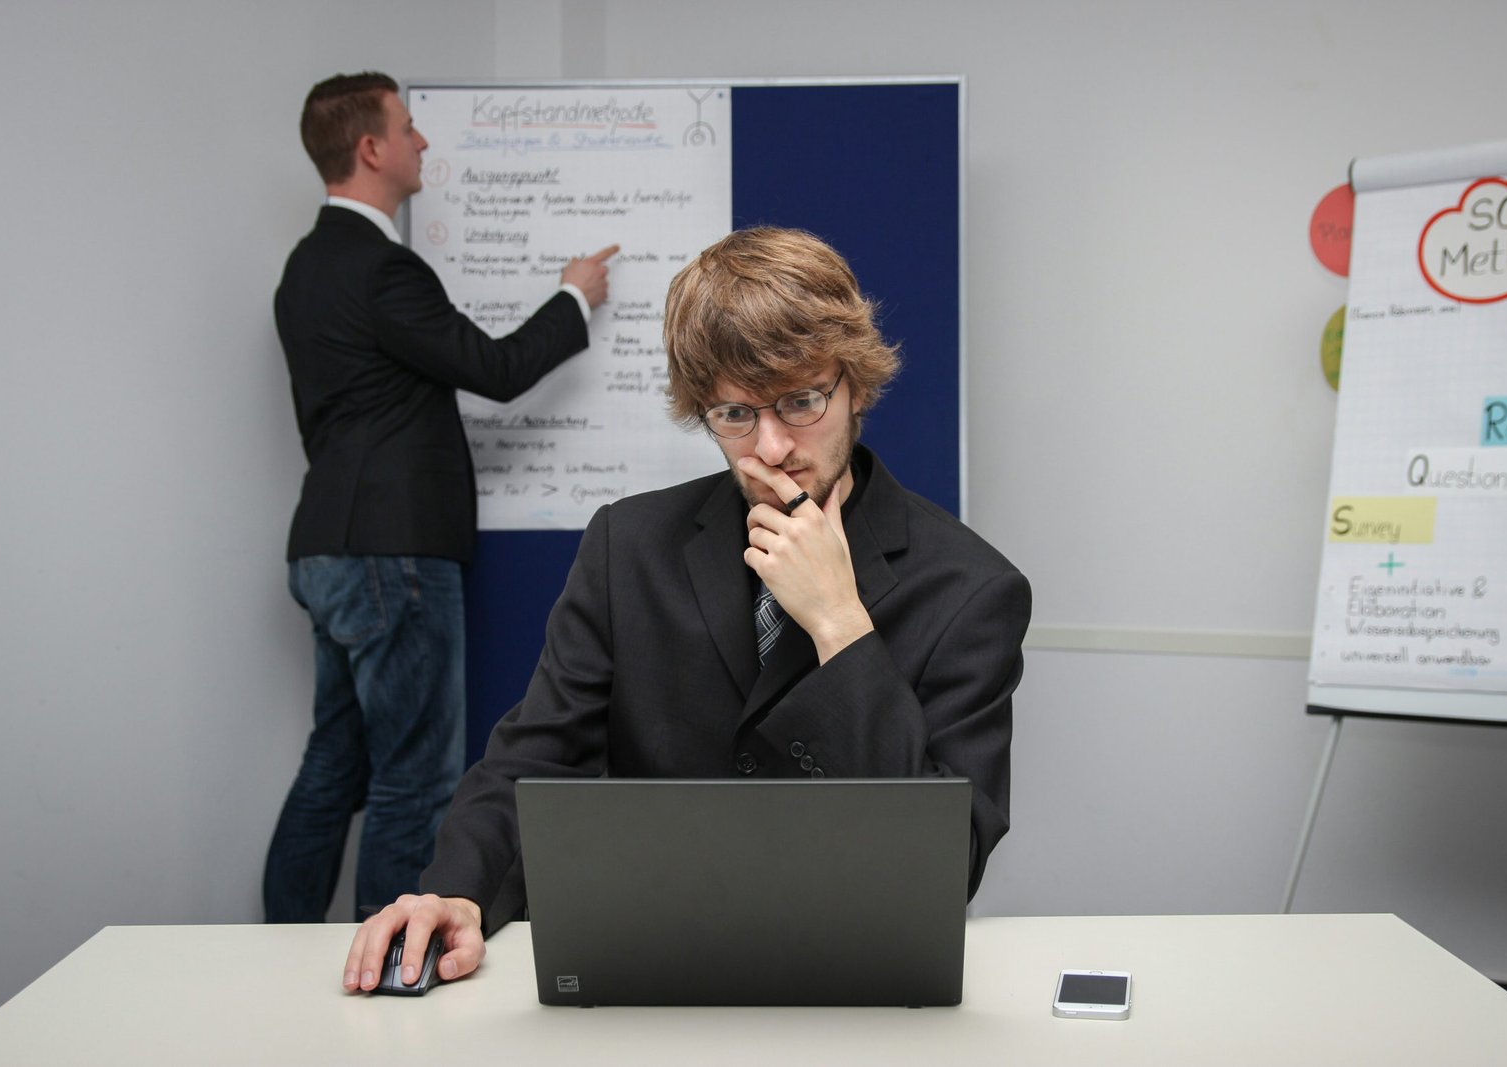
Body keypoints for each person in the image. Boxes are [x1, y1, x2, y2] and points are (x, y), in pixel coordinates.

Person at [341, 227, 1031, 992]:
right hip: (653, 967)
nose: (769, 447)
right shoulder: (628, 545)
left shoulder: (972, 588)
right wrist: (456, 890)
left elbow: (948, 861)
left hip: (858, 977)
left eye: (801, 400)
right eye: (734, 414)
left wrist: (841, 623)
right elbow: (533, 758)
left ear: (857, 384)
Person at [266, 71, 619, 922]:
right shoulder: (383, 270)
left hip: (326, 546)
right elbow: (493, 371)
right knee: (414, 779)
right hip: (393, 555)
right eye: (409, 127)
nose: (423, 142)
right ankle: (388, 963)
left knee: (333, 767)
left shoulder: (304, 270)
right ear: (370, 149)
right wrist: (575, 296)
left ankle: (276, 951)